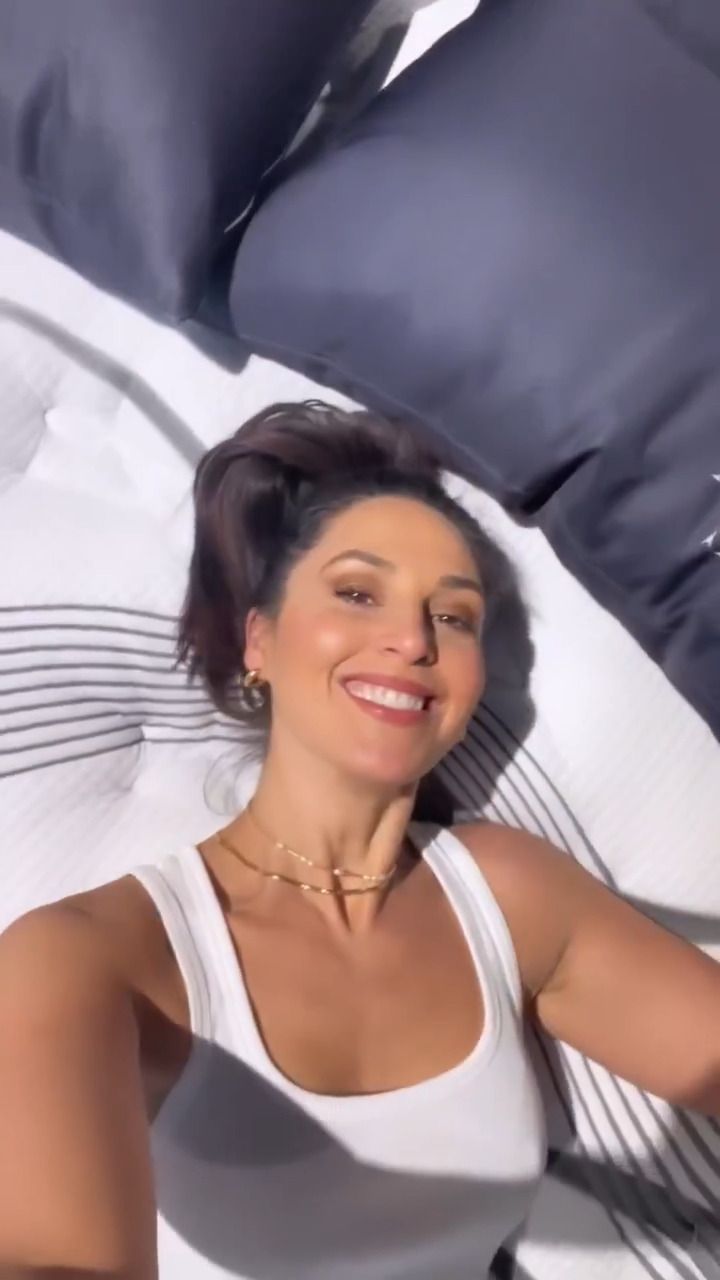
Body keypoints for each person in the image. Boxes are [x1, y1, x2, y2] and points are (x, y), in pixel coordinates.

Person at [1, 401, 718, 1280]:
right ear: (259, 639)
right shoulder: (88, 959)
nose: (412, 640)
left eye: (453, 617)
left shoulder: (508, 894)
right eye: (356, 594)